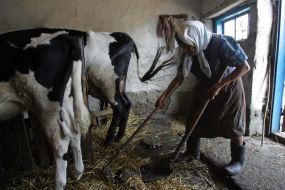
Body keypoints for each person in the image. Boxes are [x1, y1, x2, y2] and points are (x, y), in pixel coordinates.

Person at [155, 20, 250, 176]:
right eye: (183, 46)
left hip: (228, 90)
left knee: (233, 126)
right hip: (205, 88)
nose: (186, 49)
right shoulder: (188, 53)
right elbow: (180, 77)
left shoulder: (221, 43)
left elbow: (244, 67)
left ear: (196, 37)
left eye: (188, 45)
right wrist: (164, 96)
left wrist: (219, 85)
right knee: (193, 120)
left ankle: (238, 161)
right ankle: (192, 152)